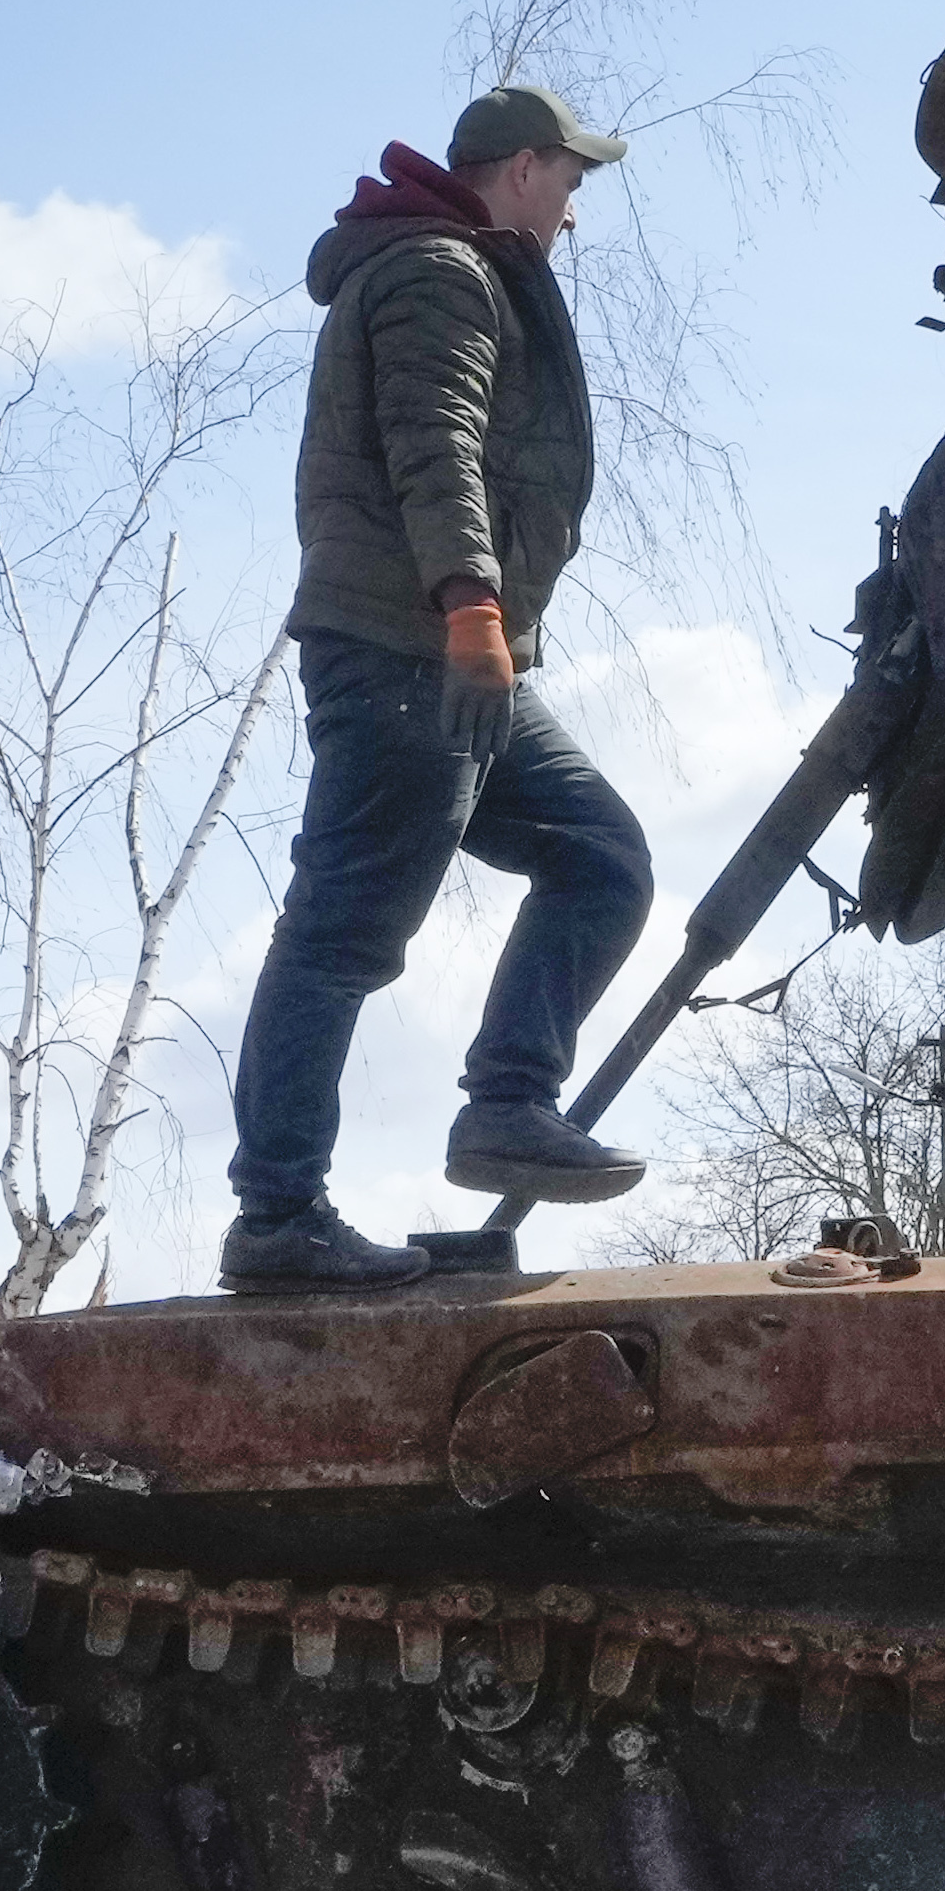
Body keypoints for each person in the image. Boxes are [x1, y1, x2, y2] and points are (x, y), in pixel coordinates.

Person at [218, 81, 660, 1290]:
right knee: (344, 928)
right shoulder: (438, 272)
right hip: (416, 647)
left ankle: (507, 1104)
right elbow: (435, 442)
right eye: (569, 183)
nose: (573, 212)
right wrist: (470, 602)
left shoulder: (446, 264)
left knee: (600, 858)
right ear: (521, 170)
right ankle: (277, 1214)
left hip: (466, 655)